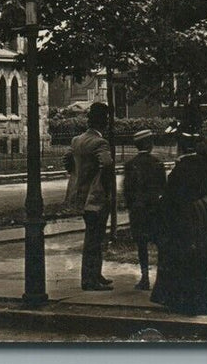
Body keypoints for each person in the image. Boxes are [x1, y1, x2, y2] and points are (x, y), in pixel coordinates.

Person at [150, 132, 207, 315]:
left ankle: (184, 298)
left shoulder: (185, 167)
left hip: (187, 217)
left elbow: (171, 194)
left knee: (184, 256)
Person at [63, 102, 116, 291]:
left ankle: (95, 274)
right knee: (95, 238)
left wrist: (78, 176)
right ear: (104, 121)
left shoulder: (77, 140)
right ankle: (89, 279)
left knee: (94, 236)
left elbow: (67, 160)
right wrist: (104, 186)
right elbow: (107, 164)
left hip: (82, 197)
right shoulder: (100, 142)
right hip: (96, 198)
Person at [122, 127, 166, 290]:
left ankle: (145, 277)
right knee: (160, 244)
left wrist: (131, 207)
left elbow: (127, 190)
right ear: (149, 144)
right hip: (155, 210)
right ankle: (161, 278)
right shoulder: (157, 163)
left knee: (142, 245)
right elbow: (163, 188)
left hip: (138, 211)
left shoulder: (130, 165)